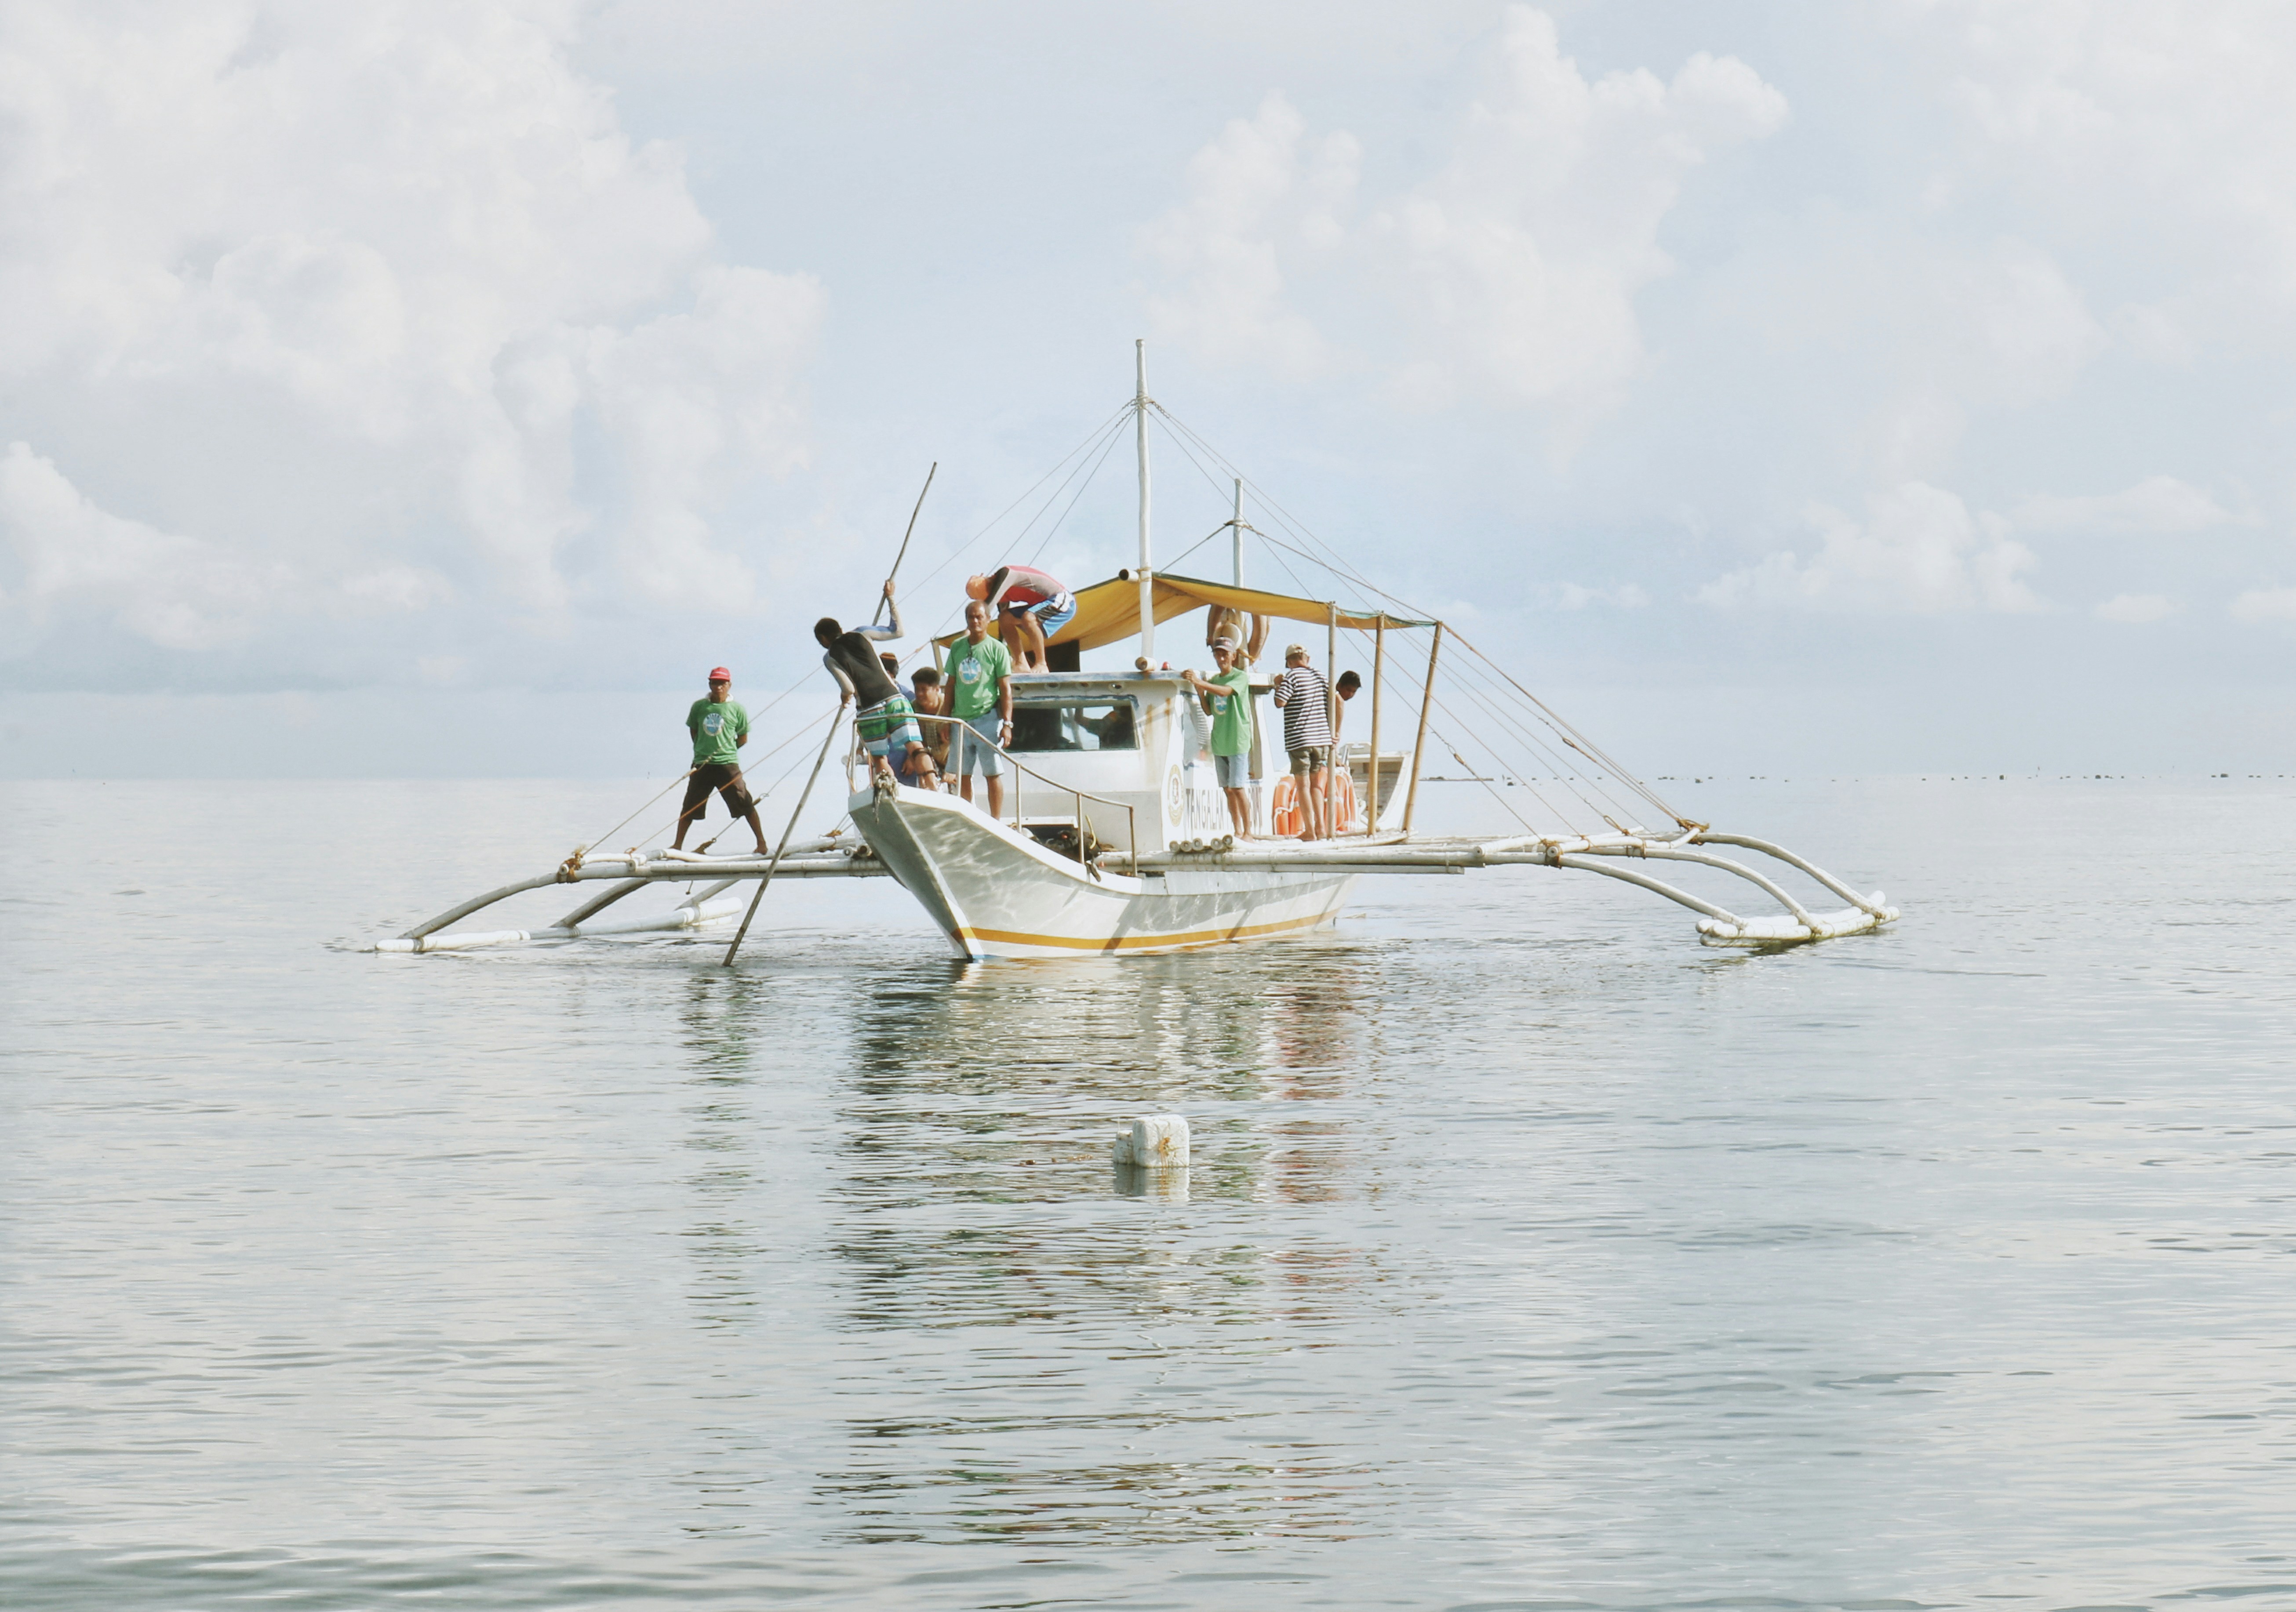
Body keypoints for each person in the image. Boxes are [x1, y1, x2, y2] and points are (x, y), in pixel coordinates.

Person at [814, 581, 938, 789]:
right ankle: (934, 786)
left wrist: (844, 697)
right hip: (894, 698)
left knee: (881, 758)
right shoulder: (862, 633)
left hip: (870, 709)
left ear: (824, 639)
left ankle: (892, 792)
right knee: (916, 747)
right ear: (841, 629)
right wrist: (891, 597)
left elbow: (850, 689)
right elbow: (898, 631)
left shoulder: (830, 658)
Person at [673, 667, 771, 853]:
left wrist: (727, 751)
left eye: (722, 683)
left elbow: (743, 737)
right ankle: (678, 845)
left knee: (744, 801)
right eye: (714, 682)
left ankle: (761, 844)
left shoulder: (737, 709)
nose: (718, 686)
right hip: (702, 764)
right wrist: (702, 749)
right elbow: (694, 730)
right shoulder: (699, 707)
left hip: (728, 764)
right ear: (710, 684)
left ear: (729, 685)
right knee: (690, 805)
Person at [942, 597, 1015, 816]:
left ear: (988, 619)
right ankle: (968, 816)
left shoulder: (998, 649)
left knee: (992, 772)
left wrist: (1007, 723)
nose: (975, 621)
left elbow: (1006, 689)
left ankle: (996, 819)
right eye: (971, 617)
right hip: (960, 720)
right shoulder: (957, 647)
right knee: (962, 774)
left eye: (979, 617)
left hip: (987, 718)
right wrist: (945, 720)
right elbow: (951, 685)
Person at [1182, 638, 1254, 839]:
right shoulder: (1213, 681)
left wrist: (1199, 682)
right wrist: (1200, 690)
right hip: (1220, 742)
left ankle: (1248, 831)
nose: (1222, 658)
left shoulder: (1240, 677)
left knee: (1238, 788)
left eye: (1225, 654)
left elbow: (1226, 692)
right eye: (1218, 654)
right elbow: (1208, 711)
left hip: (1238, 740)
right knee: (1228, 790)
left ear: (1234, 656)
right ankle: (1238, 830)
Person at [1271, 642, 1335, 840]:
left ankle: (1309, 830)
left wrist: (1278, 686)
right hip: (1322, 738)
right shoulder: (1321, 677)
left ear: (1289, 662)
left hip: (1300, 739)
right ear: (1307, 659)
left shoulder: (1292, 676)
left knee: (1303, 786)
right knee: (1317, 786)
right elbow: (1333, 701)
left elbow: (1280, 702)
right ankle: (1322, 828)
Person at [966, 563, 1074, 671]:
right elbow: (1004, 627)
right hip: (1040, 605)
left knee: (1029, 618)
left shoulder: (1005, 574)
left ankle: (1042, 664)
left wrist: (969, 633)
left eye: (990, 591)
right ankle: (1020, 664)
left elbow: (986, 610)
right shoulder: (1001, 595)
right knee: (1005, 618)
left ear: (989, 583)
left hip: (1063, 600)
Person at [908, 666, 951, 782]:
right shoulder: (912, 709)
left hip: (954, 762)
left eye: (924, 689)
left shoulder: (949, 706)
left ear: (937, 689)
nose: (920, 694)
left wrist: (952, 770)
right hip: (930, 764)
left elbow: (962, 740)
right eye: (917, 690)